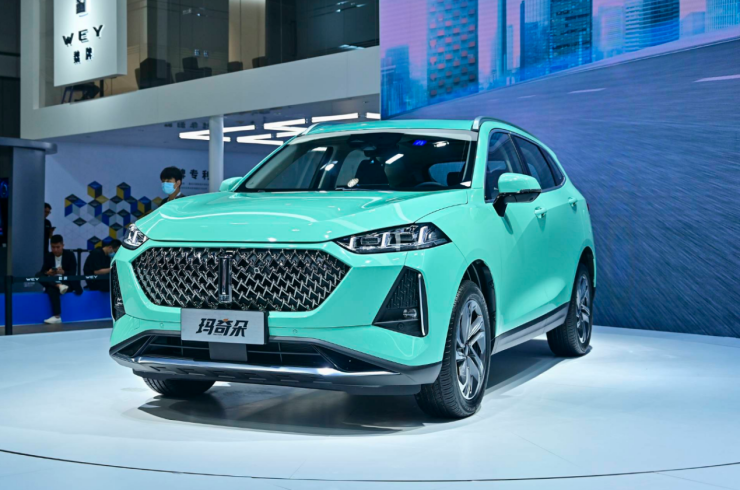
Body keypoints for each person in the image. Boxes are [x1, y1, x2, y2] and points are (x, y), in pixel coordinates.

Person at [38, 235, 82, 324]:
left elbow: (73, 272)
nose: (55, 250)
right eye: (53, 247)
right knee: (38, 275)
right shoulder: (48, 256)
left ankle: (57, 316)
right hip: (54, 281)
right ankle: (58, 286)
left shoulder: (70, 255)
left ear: (63, 245)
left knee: (51, 289)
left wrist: (63, 272)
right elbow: (43, 272)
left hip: (67, 282)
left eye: (58, 247)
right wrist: (48, 273)